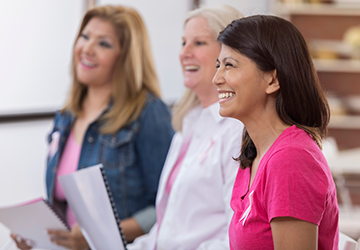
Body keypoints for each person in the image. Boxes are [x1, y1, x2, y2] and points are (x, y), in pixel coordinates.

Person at [11, 5, 174, 250]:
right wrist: (41, 239)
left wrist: (95, 236)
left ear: (126, 57)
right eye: (85, 37)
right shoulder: (66, 117)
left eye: (103, 44)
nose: (87, 48)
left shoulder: (148, 113)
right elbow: (60, 206)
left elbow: (168, 206)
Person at [213, 15, 339, 250]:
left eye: (229, 65)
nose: (216, 79)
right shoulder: (253, 154)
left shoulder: (291, 160)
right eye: (218, 65)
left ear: (273, 79)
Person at [128, 5, 243, 250]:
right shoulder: (187, 124)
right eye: (183, 43)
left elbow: (236, 237)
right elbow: (168, 230)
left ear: (230, 55)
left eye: (199, 43)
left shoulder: (237, 131)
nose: (184, 53)